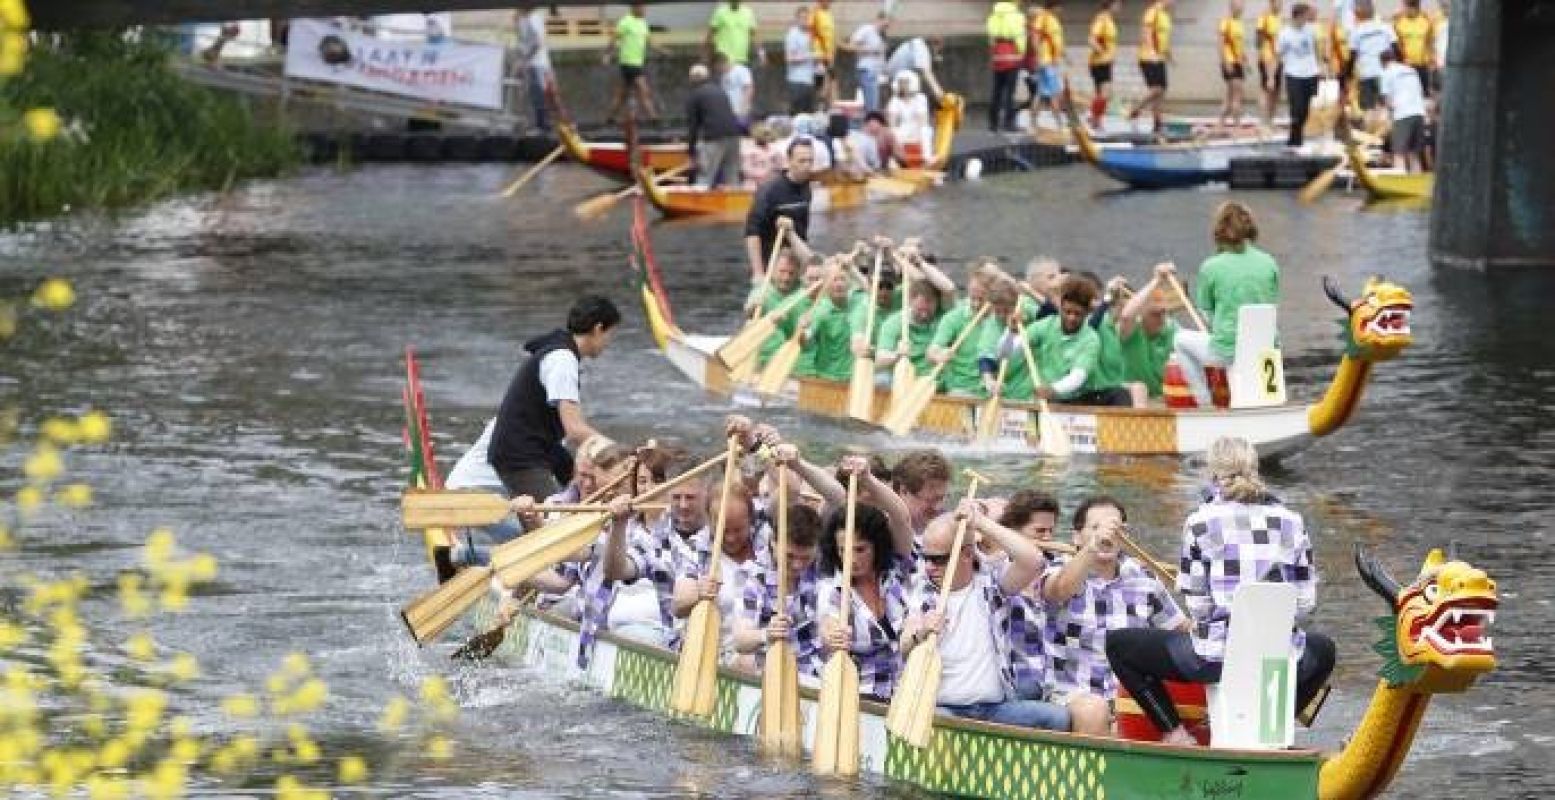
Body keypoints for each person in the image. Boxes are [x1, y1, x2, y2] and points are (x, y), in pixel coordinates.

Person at [1106, 437, 1335, 746]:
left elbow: (1199, 608)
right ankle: (1274, 724)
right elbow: (1305, 603)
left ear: (1213, 474)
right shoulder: (1293, 522)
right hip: (1278, 655)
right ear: (1255, 469)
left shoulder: (1200, 523)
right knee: (1324, 649)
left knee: (1118, 645)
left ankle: (1174, 732)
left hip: (1213, 658)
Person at [901, 508, 1070, 731]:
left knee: (1058, 718)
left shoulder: (992, 584)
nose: (930, 567)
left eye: (939, 559)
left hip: (995, 707)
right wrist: (920, 633)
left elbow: (1032, 560)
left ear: (967, 554)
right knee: (935, 723)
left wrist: (981, 523)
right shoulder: (919, 590)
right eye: (926, 558)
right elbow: (904, 646)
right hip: (941, 707)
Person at [1041, 496, 1188, 702]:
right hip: (1073, 695)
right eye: (1095, 527)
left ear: (1124, 536)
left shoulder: (1144, 578)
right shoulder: (1058, 568)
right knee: (1093, 710)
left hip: (1132, 698)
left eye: (1115, 530)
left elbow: (1180, 629)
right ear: (1076, 537)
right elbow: (1059, 590)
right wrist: (1093, 546)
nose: (1107, 536)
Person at [489, 296, 621, 502]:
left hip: (545, 448)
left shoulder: (560, 351)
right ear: (598, 329)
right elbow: (575, 430)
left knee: (584, 485)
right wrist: (619, 453)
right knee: (555, 519)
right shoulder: (562, 360)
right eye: (610, 335)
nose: (608, 343)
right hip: (521, 455)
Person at [1172, 202, 1280, 408]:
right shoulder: (1270, 262)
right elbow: (1271, 306)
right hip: (1267, 348)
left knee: (1179, 340)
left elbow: (1207, 314)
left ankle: (1204, 405)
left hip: (1228, 350)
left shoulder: (1210, 267)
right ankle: (1260, 399)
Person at [1025, 276, 1132, 407]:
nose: (1071, 318)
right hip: (1048, 398)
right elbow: (1005, 352)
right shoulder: (1044, 326)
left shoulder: (1090, 337)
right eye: (1067, 312)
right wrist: (1011, 332)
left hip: (1077, 395)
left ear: (1086, 312)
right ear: (1060, 308)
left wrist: (1054, 390)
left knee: (1121, 394)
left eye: (1077, 314)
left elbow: (1078, 376)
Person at [744, 139, 817, 283]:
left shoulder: (806, 187)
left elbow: (803, 230)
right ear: (789, 161)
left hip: (795, 260)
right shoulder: (769, 190)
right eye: (802, 161)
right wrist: (758, 272)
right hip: (772, 263)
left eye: (810, 161)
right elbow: (752, 233)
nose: (807, 166)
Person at [928, 262, 1000, 396]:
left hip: (996, 389)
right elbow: (932, 351)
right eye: (973, 298)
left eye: (981, 299)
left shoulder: (1003, 316)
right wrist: (938, 355)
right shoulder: (953, 317)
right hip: (962, 389)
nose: (976, 304)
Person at [1116, 263, 1182, 401]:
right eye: (1155, 314)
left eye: (1164, 312)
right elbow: (1127, 315)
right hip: (1132, 400)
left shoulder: (1172, 330)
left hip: (1163, 401)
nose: (1162, 319)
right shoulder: (1131, 332)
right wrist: (1157, 279)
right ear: (1141, 314)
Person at [797, 265, 862, 382]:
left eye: (842, 279)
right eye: (834, 280)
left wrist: (853, 268)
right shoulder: (820, 310)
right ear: (826, 285)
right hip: (827, 377)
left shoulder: (859, 302)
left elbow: (873, 291)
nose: (839, 284)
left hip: (854, 378)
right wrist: (801, 330)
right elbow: (805, 340)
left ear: (850, 284)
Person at [687, 61, 744, 188]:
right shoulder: (720, 91)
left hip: (713, 138)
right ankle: (736, 201)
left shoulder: (694, 96)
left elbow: (693, 126)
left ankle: (699, 203)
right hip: (734, 135)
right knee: (732, 176)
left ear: (691, 79)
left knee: (705, 176)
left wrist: (691, 151)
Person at [605, 4, 662, 124]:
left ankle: (610, 117)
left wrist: (662, 51)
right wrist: (608, 55)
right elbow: (614, 39)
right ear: (635, 7)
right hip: (628, 62)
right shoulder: (625, 22)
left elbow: (649, 41)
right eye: (642, 8)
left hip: (638, 62)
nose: (645, 10)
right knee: (643, 90)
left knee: (622, 94)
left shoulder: (643, 23)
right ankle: (654, 118)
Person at [1277, 3, 1323, 148]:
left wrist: (1320, 66)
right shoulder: (1285, 34)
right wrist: (1272, 76)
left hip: (1310, 73)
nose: (1307, 19)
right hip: (1293, 74)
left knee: (1306, 109)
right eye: (1305, 16)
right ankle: (1294, 140)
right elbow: (1278, 55)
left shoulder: (1311, 29)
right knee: (1296, 108)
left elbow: (1316, 48)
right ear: (1297, 16)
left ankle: (1298, 135)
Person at [1128, 0, 1175, 134]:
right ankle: (1136, 108)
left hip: (1160, 58)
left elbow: (1164, 38)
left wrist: (1168, 54)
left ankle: (1157, 124)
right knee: (1156, 89)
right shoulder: (1152, 12)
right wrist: (1151, 51)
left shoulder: (1165, 16)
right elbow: (1146, 33)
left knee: (1161, 92)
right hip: (1148, 57)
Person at [1346, 0, 1397, 124]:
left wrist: (1347, 74)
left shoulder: (1356, 31)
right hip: (1385, 73)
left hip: (1367, 74)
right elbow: (1395, 48)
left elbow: (1352, 56)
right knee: (1386, 106)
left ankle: (1371, 136)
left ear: (1359, 13)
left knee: (1368, 108)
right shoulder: (1385, 26)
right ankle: (1386, 135)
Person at [1379, 46, 1426, 173]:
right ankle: (1416, 185)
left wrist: (1388, 117)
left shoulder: (1386, 72)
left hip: (1402, 115)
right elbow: (1420, 92)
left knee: (1398, 154)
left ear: (1383, 62)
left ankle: (1400, 184)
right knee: (1414, 154)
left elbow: (1387, 100)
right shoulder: (1412, 70)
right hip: (1419, 113)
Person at [1026, 0, 1068, 133]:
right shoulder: (1043, 18)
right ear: (1053, 6)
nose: (1061, 9)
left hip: (1050, 60)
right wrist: (1038, 56)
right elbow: (1035, 37)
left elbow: (1056, 41)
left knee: (1041, 93)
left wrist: (1065, 56)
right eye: (1060, 6)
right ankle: (1059, 125)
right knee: (1054, 93)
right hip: (1046, 61)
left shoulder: (1052, 19)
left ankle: (1033, 123)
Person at [986, 0, 1028, 133]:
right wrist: (1022, 52)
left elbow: (991, 37)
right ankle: (1008, 123)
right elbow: (1019, 37)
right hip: (1011, 54)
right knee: (1010, 92)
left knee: (996, 91)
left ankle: (993, 123)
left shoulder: (994, 15)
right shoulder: (1017, 16)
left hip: (998, 54)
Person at [890, 450, 952, 537]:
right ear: (904, 491)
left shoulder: (949, 524)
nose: (938, 507)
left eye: (942, 498)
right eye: (931, 500)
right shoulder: (885, 533)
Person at [512, 5, 552, 133]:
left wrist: (525, 60)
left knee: (539, 94)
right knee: (533, 95)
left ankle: (542, 126)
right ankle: (537, 124)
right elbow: (523, 42)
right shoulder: (525, 19)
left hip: (536, 63)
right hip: (530, 63)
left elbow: (537, 43)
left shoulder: (533, 19)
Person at [886, 70, 933, 168]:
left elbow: (923, 120)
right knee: (892, 132)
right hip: (904, 127)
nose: (903, 85)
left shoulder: (920, 98)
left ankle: (927, 158)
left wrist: (914, 134)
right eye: (901, 82)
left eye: (905, 82)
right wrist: (894, 130)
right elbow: (891, 121)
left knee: (925, 130)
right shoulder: (894, 100)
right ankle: (895, 159)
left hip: (917, 127)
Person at [845, 13, 890, 113]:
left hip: (877, 74)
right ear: (879, 20)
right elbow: (850, 46)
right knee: (872, 107)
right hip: (867, 71)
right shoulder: (867, 29)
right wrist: (871, 50)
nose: (886, 27)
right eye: (885, 24)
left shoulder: (881, 36)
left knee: (875, 106)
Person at [1087, 0, 1121, 129]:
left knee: (1101, 93)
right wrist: (1103, 53)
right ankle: (1095, 119)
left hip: (1105, 62)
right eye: (1118, 4)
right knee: (1105, 93)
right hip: (1100, 62)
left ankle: (1095, 119)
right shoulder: (1102, 19)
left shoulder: (1109, 20)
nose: (1119, 7)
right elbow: (1091, 39)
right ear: (1110, 5)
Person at [885, 35, 946, 104]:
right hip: (896, 81)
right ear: (935, 45)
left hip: (894, 78)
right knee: (920, 100)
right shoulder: (922, 50)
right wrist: (942, 96)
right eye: (939, 49)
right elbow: (927, 75)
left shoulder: (918, 42)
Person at [1392, 0, 1434, 95]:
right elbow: (1395, 46)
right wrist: (1401, 60)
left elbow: (1430, 43)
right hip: (1405, 67)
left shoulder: (1426, 20)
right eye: (1409, 5)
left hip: (1422, 66)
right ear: (1404, 5)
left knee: (1424, 95)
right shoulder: (1398, 21)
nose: (1412, 8)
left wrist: (1430, 61)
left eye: (1414, 4)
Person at [1219, 0, 1249, 129]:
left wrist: (1245, 61)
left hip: (1238, 62)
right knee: (1237, 93)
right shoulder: (1226, 22)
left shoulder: (1239, 23)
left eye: (1242, 5)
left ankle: (1221, 123)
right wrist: (1225, 62)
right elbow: (1220, 44)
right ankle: (1236, 125)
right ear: (1232, 7)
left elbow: (1240, 46)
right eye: (1238, 5)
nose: (1241, 7)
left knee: (1230, 94)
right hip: (1230, 61)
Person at [707, 0, 763, 68]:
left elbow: (754, 35)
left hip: (741, 58)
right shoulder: (720, 12)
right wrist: (707, 55)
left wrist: (761, 53)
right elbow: (710, 34)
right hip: (723, 58)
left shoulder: (748, 13)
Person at [784, 7, 817, 114]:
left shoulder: (810, 35)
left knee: (809, 114)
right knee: (796, 115)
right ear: (797, 19)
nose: (805, 20)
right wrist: (809, 56)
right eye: (802, 18)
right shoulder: (793, 34)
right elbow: (789, 58)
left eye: (807, 17)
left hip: (809, 80)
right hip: (797, 80)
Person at [1255, 0, 1283, 127]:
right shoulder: (1264, 17)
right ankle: (1263, 122)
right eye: (1278, 2)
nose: (1280, 5)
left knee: (1276, 92)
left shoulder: (1279, 19)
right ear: (1272, 3)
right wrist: (1265, 59)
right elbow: (1258, 41)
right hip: (1267, 58)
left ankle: (1270, 121)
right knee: (1266, 89)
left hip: (1278, 60)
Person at [740, 122, 785, 188]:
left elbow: (780, 166)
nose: (766, 137)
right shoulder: (748, 151)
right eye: (764, 134)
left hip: (771, 182)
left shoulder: (775, 150)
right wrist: (761, 174)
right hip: (753, 183)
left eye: (767, 134)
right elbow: (746, 169)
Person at [809, 0, 837, 107]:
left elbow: (831, 36)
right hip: (820, 54)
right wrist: (818, 54)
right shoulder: (815, 13)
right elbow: (812, 34)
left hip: (829, 54)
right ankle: (820, 107)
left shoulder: (829, 14)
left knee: (831, 82)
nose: (830, 3)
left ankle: (827, 106)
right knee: (823, 83)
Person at [721, 51, 755, 126]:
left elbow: (749, 88)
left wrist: (744, 107)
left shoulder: (741, 70)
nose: (719, 69)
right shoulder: (723, 75)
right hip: (729, 111)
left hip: (741, 110)